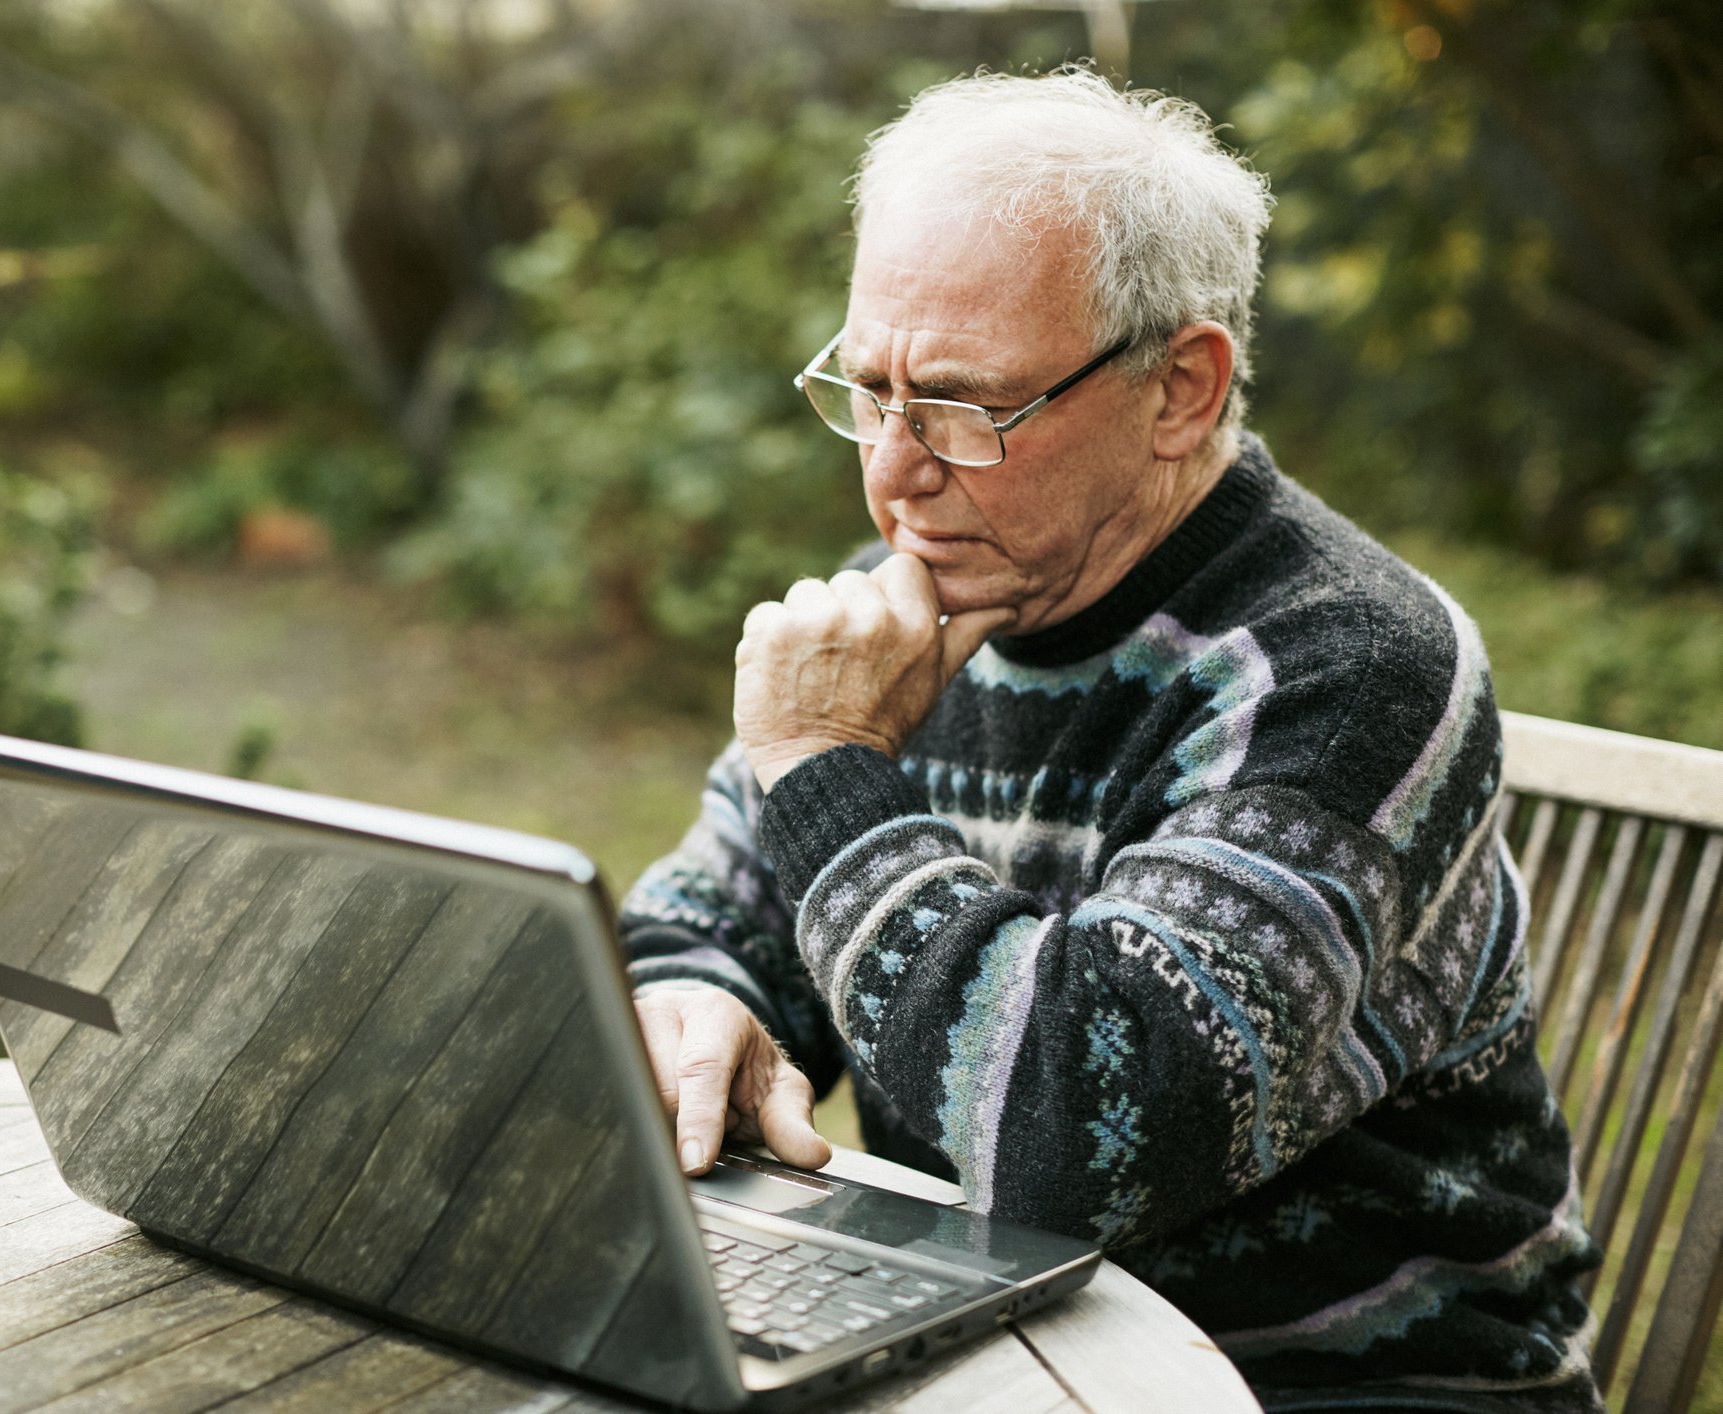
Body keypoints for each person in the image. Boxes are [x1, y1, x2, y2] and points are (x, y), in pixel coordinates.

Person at [620, 67, 1602, 1411]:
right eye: (866, 388)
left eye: (963, 406)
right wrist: (695, 1007)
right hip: (995, 1362)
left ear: (1179, 389)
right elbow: (691, 930)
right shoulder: (908, 604)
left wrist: (822, 770)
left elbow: (1075, 1141)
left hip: (1352, 1388)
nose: (892, 470)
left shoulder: (1348, 664)